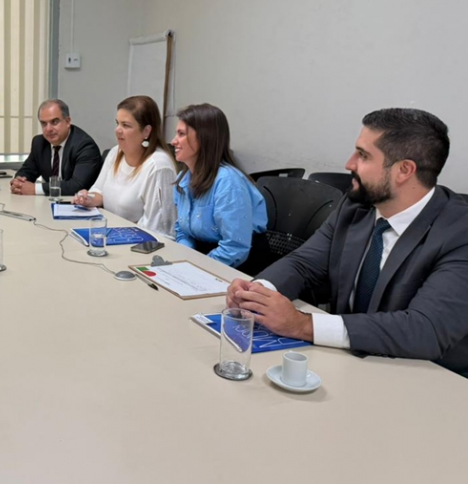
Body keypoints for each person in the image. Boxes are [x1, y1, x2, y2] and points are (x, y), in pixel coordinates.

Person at [227, 108, 468, 377]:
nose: (349, 163)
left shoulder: (460, 232)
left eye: (363, 155)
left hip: (428, 379)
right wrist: (257, 292)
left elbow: (425, 330)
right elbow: (304, 263)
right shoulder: (355, 207)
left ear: (404, 170)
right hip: (348, 365)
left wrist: (303, 325)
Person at [170, 104, 267, 267]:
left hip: (239, 266)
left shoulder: (228, 182)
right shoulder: (183, 179)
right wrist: (184, 260)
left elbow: (235, 247)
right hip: (206, 257)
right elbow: (182, 229)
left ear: (203, 138)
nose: (173, 141)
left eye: (181, 134)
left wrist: (197, 270)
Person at [73, 96, 177, 237]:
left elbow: (159, 229)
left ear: (146, 131)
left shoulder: (158, 166)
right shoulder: (116, 152)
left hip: (141, 245)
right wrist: (87, 198)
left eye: (126, 125)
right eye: (117, 123)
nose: (117, 130)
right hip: (111, 234)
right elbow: (100, 191)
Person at [10, 99, 102, 196]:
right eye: (44, 123)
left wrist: (35, 189)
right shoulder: (39, 143)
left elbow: (77, 186)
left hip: (77, 205)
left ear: (67, 122)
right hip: (49, 203)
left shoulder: (85, 146)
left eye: (54, 122)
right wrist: (18, 182)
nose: (48, 129)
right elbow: (27, 170)